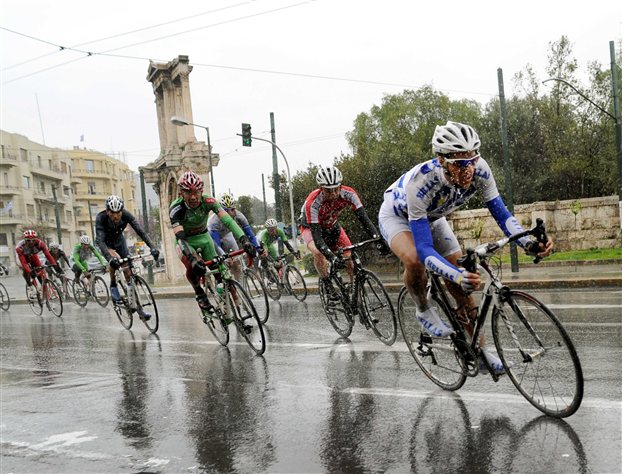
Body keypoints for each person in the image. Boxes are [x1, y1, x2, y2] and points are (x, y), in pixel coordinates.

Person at [378, 121, 553, 374]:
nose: (469, 169)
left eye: (473, 159)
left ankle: (480, 352)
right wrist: (457, 274)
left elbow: (502, 215)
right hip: (399, 217)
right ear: (441, 160)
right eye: (460, 163)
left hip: (435, 217)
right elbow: (425, 249)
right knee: (415, 260)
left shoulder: (481, 170)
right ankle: (423, 308)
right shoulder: (421, 182)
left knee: (463, 290)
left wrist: (528, 243)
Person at [169, 171, 256, 320]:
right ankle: (200, 294)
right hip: (186, 241)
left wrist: (244, 239)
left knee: (220, 273)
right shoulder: (176, 208)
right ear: (181, 193)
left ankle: (238, 310)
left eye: (196, 192)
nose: (193, 197)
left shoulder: (209, 201)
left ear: (201, 191)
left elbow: (228, 221)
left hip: (204, 237)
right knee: (193, 265)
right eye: (188, 192)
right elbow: (181, 237)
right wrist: (192, 258)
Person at [300, 165, 387, 299]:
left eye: (336, 189)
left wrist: (377, 239)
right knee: (318, 252)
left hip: (332, 225)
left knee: (349, 258)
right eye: (329, 191)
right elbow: (317, 237)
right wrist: (332, 257)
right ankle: (327, 282)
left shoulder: (349, 193)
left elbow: (364, 220)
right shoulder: (313, 202)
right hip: (311, 228)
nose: (334, 193)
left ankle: (354, 293)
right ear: (321, 188)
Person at [95, 195, 160, 313]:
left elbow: (141, 231)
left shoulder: (126, 215)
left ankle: (138, 307)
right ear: (107, 211)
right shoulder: (101, 218)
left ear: (122, 211)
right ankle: (113, 284)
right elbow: (100, 240)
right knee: (115, 259)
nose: (116, 216)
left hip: (119, 241)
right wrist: (110, 258)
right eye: (112, 213)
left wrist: (152, 247)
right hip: (105, 244)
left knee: (128, 272)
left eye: (118, 213)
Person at [208, 193, 259, 281]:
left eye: (232, 209)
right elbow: (218, 245)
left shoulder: (239, 215)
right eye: (226, 210)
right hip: (214, 236)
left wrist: (258, 247)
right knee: (222, 261)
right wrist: (225, 257)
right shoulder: (214, 222)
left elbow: (250, 234)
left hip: (227, 235)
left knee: (237, 262)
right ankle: (221, 281)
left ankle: (239, 285)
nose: (231, 212)